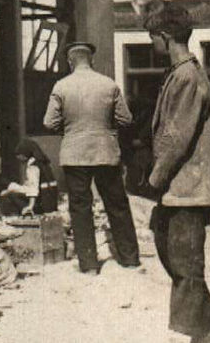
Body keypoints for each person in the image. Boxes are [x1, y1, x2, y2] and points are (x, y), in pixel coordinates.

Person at [145, 4, 210, 340]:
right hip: (180, 185)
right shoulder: (182, 73)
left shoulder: (186, 76)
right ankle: (207, 311)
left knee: (184, 261)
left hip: (188, 186)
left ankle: (185, 330)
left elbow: (176, 137)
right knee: (166, 241)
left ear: (165, 37)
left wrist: (154, 179)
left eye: (152, 38)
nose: (152, 45)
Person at [43, 41, 140, 273]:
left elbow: (49, 122)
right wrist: (105, 127)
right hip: (105, 151)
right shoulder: (108, 84)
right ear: (91, 60)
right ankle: (130, 259)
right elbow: (126, 119)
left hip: (74, 154)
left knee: (80, 207)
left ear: (70, 61)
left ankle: (89, 264)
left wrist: (71, 131)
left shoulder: (61, 86)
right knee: (117, 204)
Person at [12, 138, 59, 216]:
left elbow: (33, 187)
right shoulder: (43, 164)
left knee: (12, 196)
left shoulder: (33, 166)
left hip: (44, 201)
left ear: (24, 153)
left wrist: (30, 206)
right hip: (51, 198)